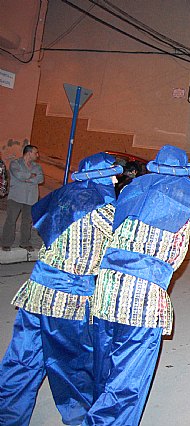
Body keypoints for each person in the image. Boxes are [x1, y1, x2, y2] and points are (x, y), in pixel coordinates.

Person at [85, 145, 190, 425]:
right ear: (184, 171)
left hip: (105, 290)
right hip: (142, 298)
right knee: (128, 380)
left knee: (104, 364)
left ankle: (96, 409)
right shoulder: (187, 196)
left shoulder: (134, 188)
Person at [0, 153, 123, 425]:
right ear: (99, 178)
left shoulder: (62, 195)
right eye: (112, 174)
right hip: (68, 298)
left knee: (22, 359)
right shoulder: (102, 208)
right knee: (74, 366)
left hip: (36, 291)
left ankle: (7, 417)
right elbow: (127, 242)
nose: (116, 179)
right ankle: (80, 420)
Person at [1, 145, 44, 251]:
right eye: (36, 153)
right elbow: (18, 175)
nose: (37, 155)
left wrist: (27, 178)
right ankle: (6, 243)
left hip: (31, 198)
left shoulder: (37, 167)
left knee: (27, 221)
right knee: (11, 220)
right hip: (16, 197)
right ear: (29, 153)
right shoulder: (15, 163)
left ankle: (24, 242)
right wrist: (31, 176)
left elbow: (40, 179)